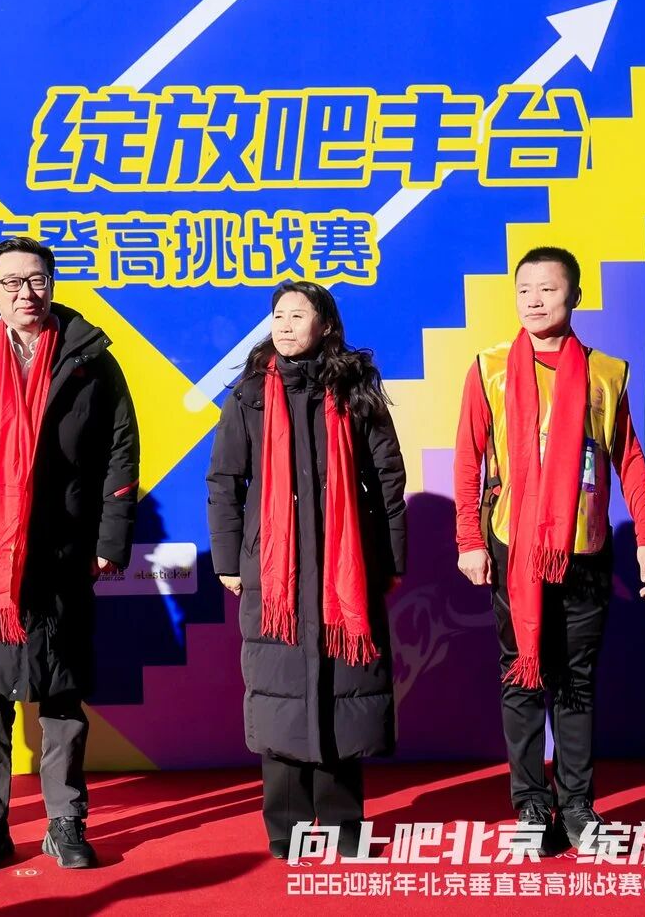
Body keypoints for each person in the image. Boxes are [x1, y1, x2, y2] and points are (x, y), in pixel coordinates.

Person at [0, 236, 139, 871]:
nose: (25, 293)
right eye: (11, 282)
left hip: (62, 551)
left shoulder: (90, 362)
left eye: (36, 280)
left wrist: (109, 540)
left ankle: (66, 822)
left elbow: (120, 454)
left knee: (62, 694)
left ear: (52, 285)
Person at [453, 246, 645, 855]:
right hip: (514, 548)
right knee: (521, 678)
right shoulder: (489, 368)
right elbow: (469, 459)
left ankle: (576, 806)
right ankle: (530, 803)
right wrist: (470, 539)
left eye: (547, 289)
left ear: (574, 296)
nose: (534, 300)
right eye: (524, 290)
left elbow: (628, 457)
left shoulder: (607, 373)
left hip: (585, 550)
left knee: (575, 682)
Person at [207, 281, 407, 860]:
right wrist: (228, 560)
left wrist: (391, 559)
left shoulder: (356, 391)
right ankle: (287, 822)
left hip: (346, 568)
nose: (286, 324)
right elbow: (225, 482)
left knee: (343, 691)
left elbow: (387, 480)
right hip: (273, 571)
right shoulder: (248, 395)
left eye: (299, 315)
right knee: (279, 694)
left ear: (326, 326)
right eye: (279, 315)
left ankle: (344, 820)